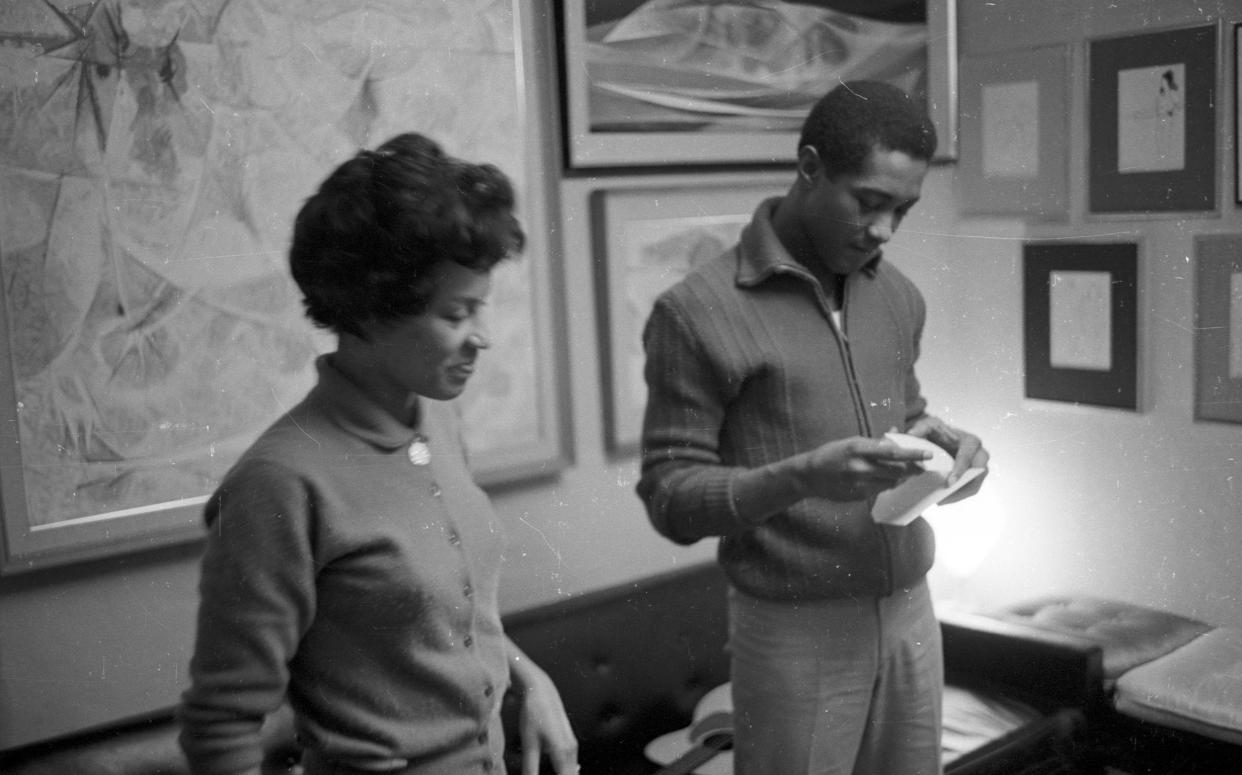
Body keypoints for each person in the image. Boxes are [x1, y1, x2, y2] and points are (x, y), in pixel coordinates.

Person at [178, 133, 579, 775]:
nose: (483, 339)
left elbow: (452, 620)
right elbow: (221, 726)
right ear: (372, 311)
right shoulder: (279, 483)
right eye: (457, 314)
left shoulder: (438, 421)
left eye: (482, 307)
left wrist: (530, 678)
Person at [636, 80, 990, 775]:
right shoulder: (695, 312)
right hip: (794, 625)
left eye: (904, 210)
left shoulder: (897, 296)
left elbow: (904, 412)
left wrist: (946, 446)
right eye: (869, 201)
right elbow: (671, 498)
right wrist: (803, 475)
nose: (885, 230)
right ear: (809, 167)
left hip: (911, 609)